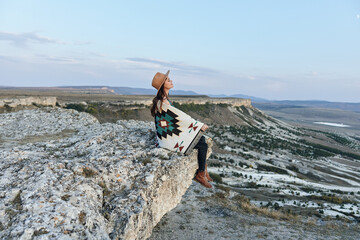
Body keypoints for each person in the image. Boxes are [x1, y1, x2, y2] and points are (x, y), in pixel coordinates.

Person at [150, 70, 213, 188]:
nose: (171, 81)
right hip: (169, 138)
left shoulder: (164, 99)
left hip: (170, 133)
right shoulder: (163, 102)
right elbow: (181, 118)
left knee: (202, 138)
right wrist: (198, 125)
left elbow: (176, 119)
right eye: (168, 80)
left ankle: (204, 171)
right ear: (163, 85)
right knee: (203, 145)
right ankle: (200, 174)